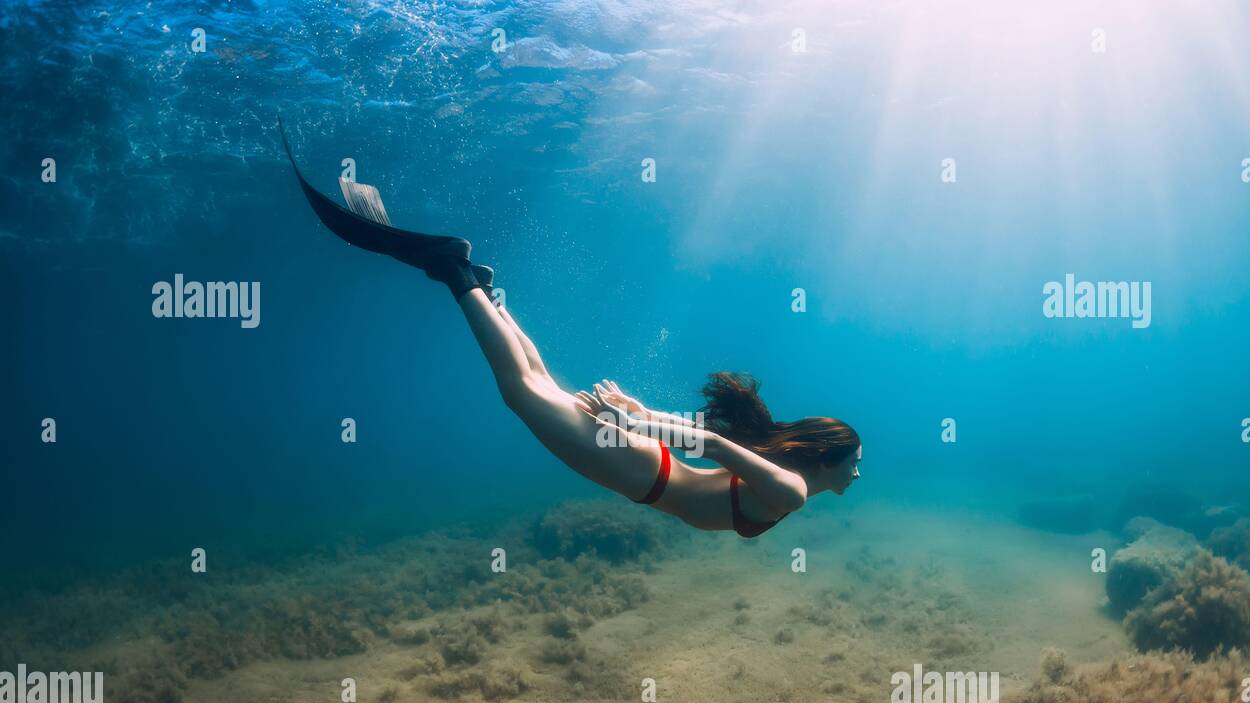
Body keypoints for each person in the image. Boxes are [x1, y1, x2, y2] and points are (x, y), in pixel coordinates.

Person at [281, 122, 861, 537]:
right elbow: (709, 444)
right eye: (853, 461)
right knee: (521, 390)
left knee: (536, 379)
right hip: (640, 471)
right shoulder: (792, 493)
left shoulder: (783, 474)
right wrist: (635, 419)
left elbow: (712, 446)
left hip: (647, 461)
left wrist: (638, 415)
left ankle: (474, 279)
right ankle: (451, 267)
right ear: (824, 457)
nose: (857, 472)